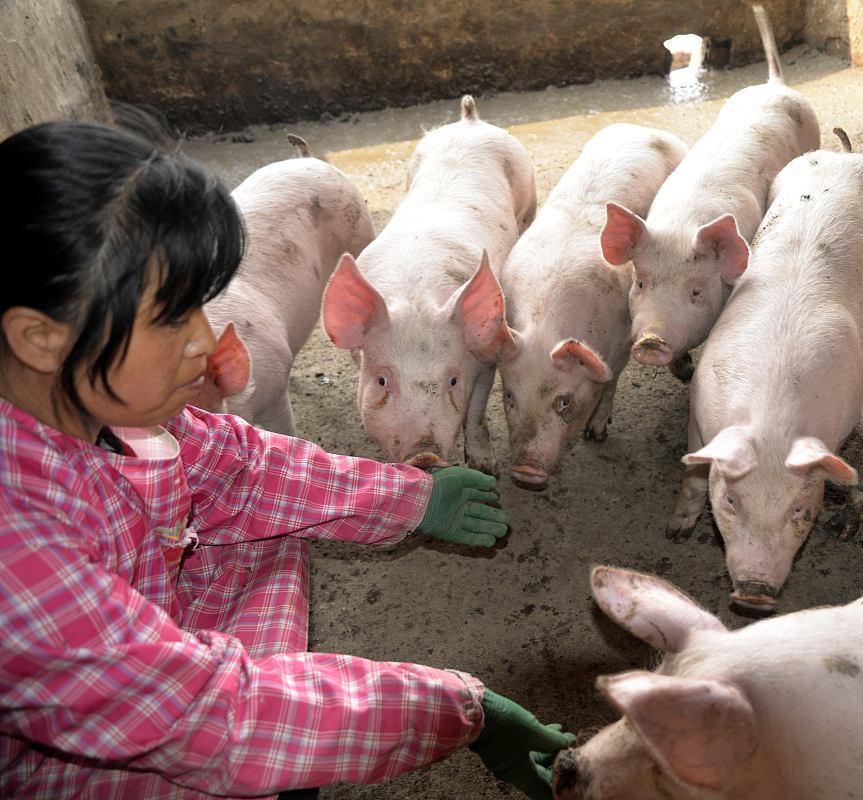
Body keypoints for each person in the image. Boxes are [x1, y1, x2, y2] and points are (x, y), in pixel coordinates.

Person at [0, 119, 573, 799]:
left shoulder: (87, 406)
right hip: (61, 767)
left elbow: (239, 465)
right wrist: (459, 712)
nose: (207, 340)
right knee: (245, 726)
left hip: (135, 639)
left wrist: (410, 496)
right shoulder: (16, 553)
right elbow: (214, 716)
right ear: (39, 338)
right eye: (172, 317)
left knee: (272, 524)